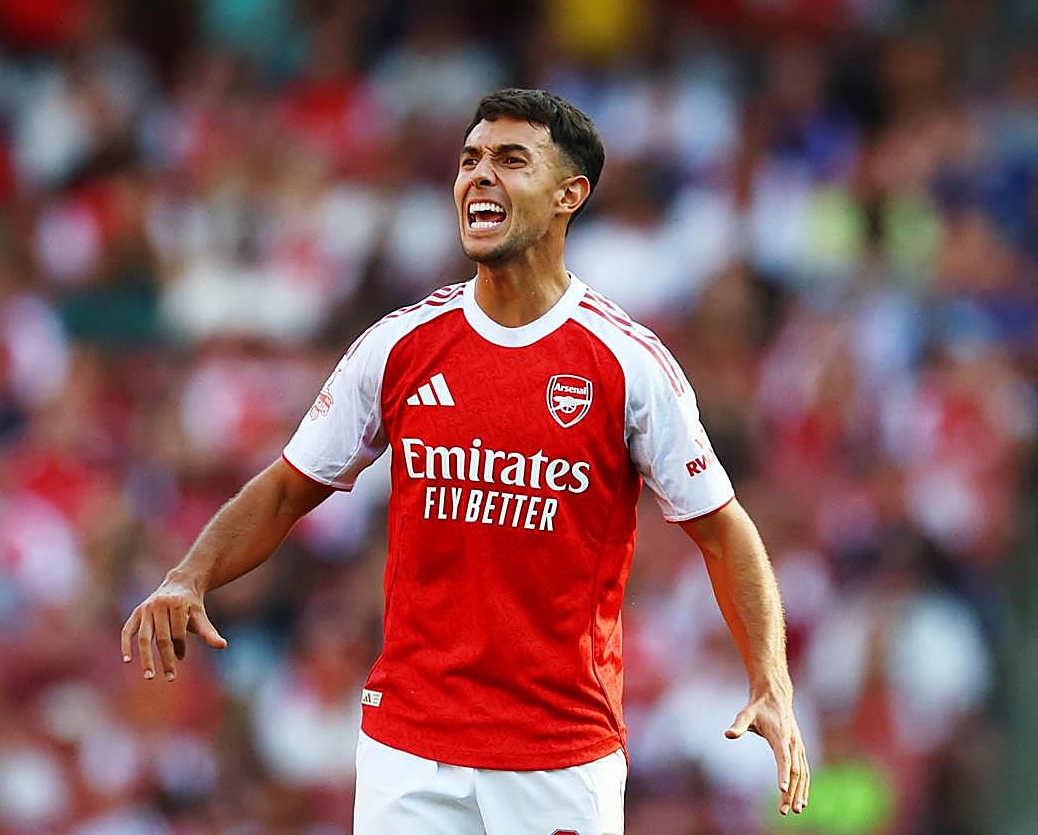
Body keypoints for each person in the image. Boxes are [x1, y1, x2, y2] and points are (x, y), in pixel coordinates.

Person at [122, 88, 810, 834]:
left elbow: (724, 530)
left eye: (512, 161)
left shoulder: (628, 363)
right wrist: (191, 573)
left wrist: (770, 678)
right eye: (469, 160)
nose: (479, 176)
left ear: (568, 195)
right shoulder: (399, 347)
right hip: (409, 743)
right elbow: (287, 490)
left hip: (559, 750)